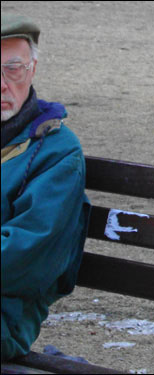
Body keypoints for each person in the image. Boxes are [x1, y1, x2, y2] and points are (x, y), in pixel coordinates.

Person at [1, 14, 90, 361]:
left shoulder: (58, 152)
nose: (2, 84)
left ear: (32, 70)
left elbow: (25, 258)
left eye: (13, 69)